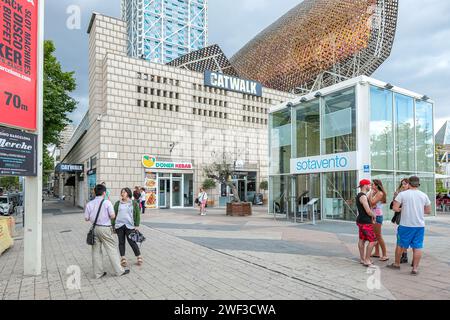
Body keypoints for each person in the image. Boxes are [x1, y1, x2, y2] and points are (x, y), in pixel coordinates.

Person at [388, 176, 432, 275]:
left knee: (400, 245)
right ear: (418, 184)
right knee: (417, 246)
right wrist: (418, 211)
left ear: (409, 183)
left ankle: (397, 264)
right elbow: (428, 211)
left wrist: (403, 209)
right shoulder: (424, 195)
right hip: (419, 225)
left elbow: (395, 208)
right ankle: (415, 269)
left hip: (405, 225)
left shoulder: (402, 194)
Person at [84, 184, 129, 279]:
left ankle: (98, 273)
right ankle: (119, 271)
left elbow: (86, 218)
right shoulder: (107, 203)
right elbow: (112, 216)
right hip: (105, 228)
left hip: (94, 228)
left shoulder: (89, 204)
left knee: (96, 251)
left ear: (94, 192)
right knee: (111, 249)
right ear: (104, 193)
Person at [112, 188, 143, 267]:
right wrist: (113, 226)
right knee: (121, 242)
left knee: (132, 242)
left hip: (130, 225)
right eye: (121, 192)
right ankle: (123, 259)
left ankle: (139, 256)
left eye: (124, 192)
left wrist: (136, 225)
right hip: (119, 226)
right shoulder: (118, 203)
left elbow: (137, 215)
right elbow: (114, 215)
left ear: (128, 193)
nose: (122, 194)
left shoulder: (134, 203)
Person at [356, 179, 378, 267]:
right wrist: (374, 215)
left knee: (362, 239)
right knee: (373, 241)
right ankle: (367, 260)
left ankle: (362, 259)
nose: (370, 186)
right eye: (369, 185)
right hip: (365, 222)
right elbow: (368, 211)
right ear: (365, 185)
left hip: (361, 221)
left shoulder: (360, 195)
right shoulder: (363, 197)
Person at [391, 179, 410, 264]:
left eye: (405, 184)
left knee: (405, 239)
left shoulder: (409, 194)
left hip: (409, 219)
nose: (403, 186)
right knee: (403, 238)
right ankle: (404, 255)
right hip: (402, 218)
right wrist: (395, 198)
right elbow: (393, 206)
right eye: (402, 184)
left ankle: (403, 258)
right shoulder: (400, 193)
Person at [369, 179, 388, 262]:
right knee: (374, 235)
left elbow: (372, 202)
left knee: (378, 236)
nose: (371, 186)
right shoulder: (375, 193)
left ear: (377, 185)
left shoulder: (380, 193)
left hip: (377, 216)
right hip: (373, 215)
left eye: (372, 184)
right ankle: (377, 252)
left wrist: (370, 195)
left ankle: (385, 255)